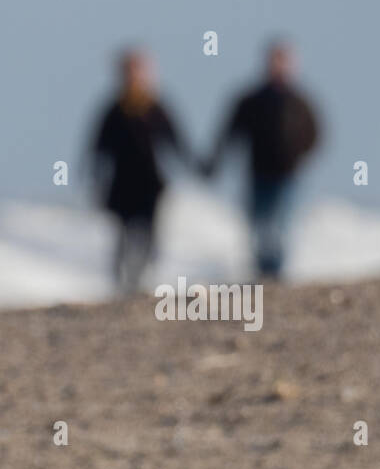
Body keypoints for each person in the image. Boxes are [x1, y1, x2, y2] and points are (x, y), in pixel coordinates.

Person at [205, 41, 320, 278]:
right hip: (258, 173)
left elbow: (315, 133)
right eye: (274, 61)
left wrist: (300, 155)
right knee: (258, 223)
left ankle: (276, 273)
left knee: (280, 225)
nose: (278, 67)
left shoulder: (300, 102)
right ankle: (262, 270)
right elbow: (230, 132)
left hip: (288, 175)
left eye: (283, 61)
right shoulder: (251, 100)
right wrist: (215, 162)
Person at [90, 49, 193, 292]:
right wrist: (94, 177)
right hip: (121, 184)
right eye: (129, 71)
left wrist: (199, 167)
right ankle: (123, 280)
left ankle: (141, 277)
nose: (134, 77)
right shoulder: (113, 110)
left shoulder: (155, 107)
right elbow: (97, 147)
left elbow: (175, 140)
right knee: (124, 234)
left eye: (138, 71)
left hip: (150, 183)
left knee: (150, 235)